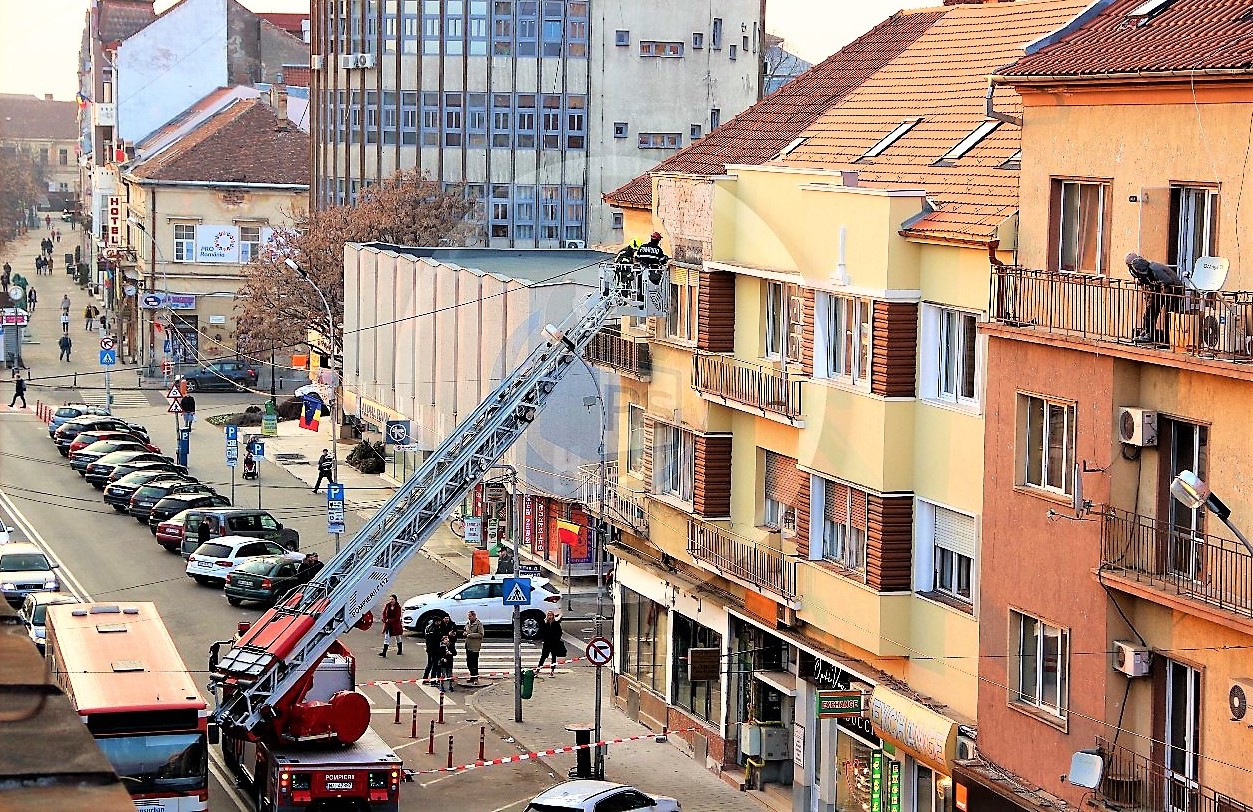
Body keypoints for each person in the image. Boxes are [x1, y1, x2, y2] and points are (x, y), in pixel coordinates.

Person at [1126, 252, 1184, 344]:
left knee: (1170, 315)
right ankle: (1148, 334)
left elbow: (1168, 281)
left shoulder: (1155, 269)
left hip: (1173, 291)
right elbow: (1147, 282)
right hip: (1158, 290)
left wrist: (1162, 291)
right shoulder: (1136, 270)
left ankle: (1169, 340)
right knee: (1150, 312)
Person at [536, 610, 566, 676]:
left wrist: (556, 639)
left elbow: (559, 633)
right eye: (549, 615)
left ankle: (552, 671)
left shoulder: (556, 624)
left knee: (554, 657)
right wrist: (544, 639)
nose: (550, 617)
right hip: (547, 643)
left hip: (554, 643)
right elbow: (541, 632)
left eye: (551, 615)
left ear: (553, 616)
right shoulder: (544, 624)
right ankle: (538, 670)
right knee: (543, 657)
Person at [463, 610, 484, 683]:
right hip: (468, 645)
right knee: (469, 662)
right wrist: (465, 633)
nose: (468, 618)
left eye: (470, 616)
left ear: (474, 616)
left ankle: (475, 677)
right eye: (468, 616)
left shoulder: (478, 624)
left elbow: (481, 634)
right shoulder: (467, 623)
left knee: (474, 662)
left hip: (475, 646)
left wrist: (470, 635)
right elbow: (465, 630)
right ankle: (472, 676)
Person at [422, 614, 444, 683]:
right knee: (434, 665)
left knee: (429, 664)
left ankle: (425, 678)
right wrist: (441, 638)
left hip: (429, 648)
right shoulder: (435, 628)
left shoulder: (428, 627)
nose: (440, 623)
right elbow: (436, 638)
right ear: (436, 622)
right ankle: (433, 680)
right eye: (439, 621)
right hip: (434, 649)